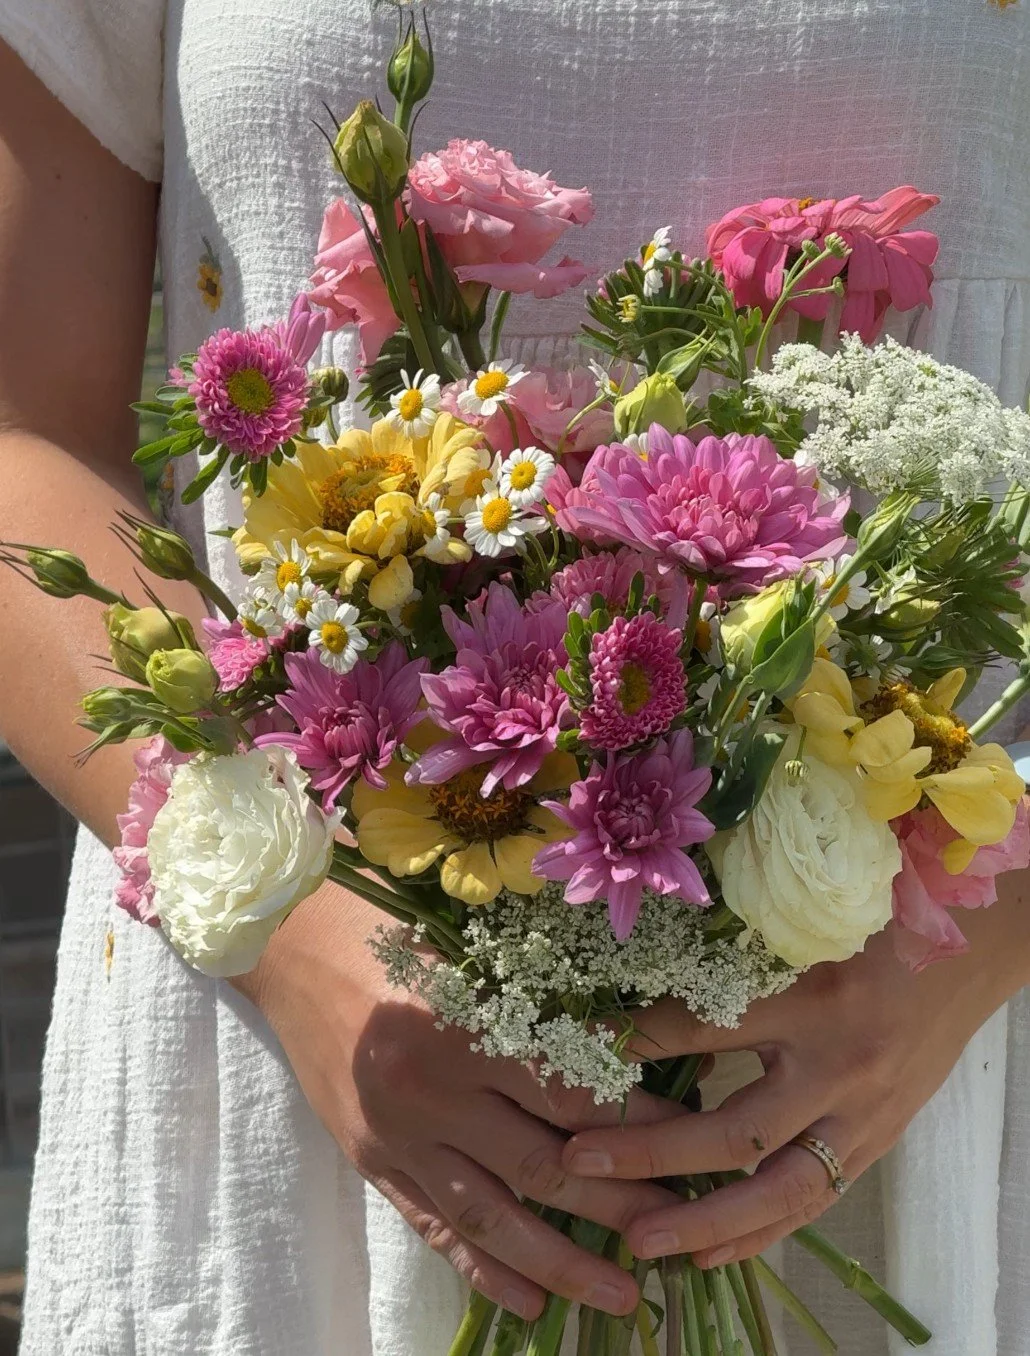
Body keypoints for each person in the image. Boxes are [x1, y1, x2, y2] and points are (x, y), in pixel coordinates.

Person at [0, 2, 1028, 1353]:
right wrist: (296, 939)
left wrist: (995, 931)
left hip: (944, 1032)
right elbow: (21, 433)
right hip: (320, 1048)